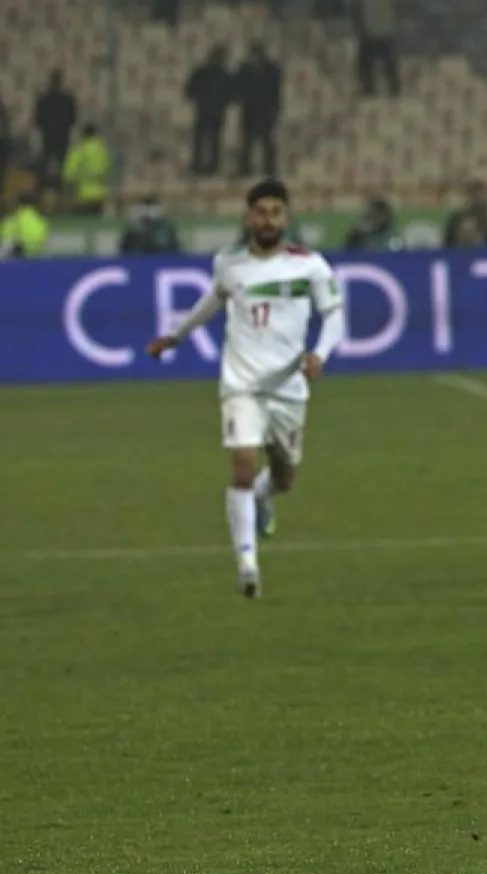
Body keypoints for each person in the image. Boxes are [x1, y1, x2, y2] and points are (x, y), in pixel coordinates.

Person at [146, 179, 346, 598]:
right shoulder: (230, 263)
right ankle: (247, 565)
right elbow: (212, 301)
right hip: (241, 384)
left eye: (275, 212)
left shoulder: (310, 265)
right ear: (248, 217)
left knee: (286, 476)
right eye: (260, 212)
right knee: (241, 464)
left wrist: (320, 354)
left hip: (288, 387)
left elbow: (334, 316)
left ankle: (262, 496)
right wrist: (175, 336)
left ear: (286, 218)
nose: (267, 219)